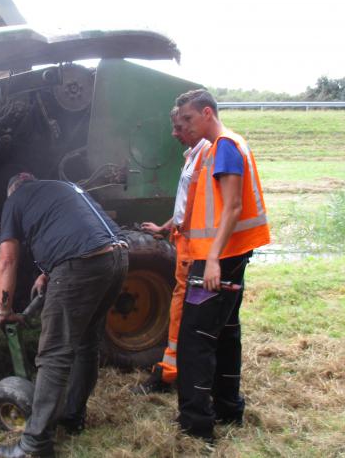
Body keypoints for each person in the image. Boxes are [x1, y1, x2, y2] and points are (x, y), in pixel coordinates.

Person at [0, 173, 129, 458]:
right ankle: (73, 417)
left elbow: (7, 259)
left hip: (82, 264)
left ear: (13, 191)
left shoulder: (14, 200)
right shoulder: (64, 187)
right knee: (86, 344)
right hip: (117, 259)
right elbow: (71, 227)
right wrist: (47, 272)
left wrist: (4, 309)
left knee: (54, 355)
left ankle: (34, 444)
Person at [175, 89, 270, 441]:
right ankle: (229, 409)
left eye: (188, 119)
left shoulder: (226, 147)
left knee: (195, 338)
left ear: (207, 113)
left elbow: (231, 207)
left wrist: (212, 259)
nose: (183, 126)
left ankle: (197, 425)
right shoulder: (227, 144)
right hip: (230, 254)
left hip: (219, 259)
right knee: (227, 332)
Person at [133, 107, 211, 394]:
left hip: (198, 251)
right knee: (179, 310)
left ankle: (174, 375)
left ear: (204, 117)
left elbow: (207, 209)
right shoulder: (192, 155)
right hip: (185, 245)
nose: (175, 133)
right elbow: (185, 206)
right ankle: (173, 369)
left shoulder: (208, 155)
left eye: (181, 126)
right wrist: (165, 228)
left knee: (189, 313)